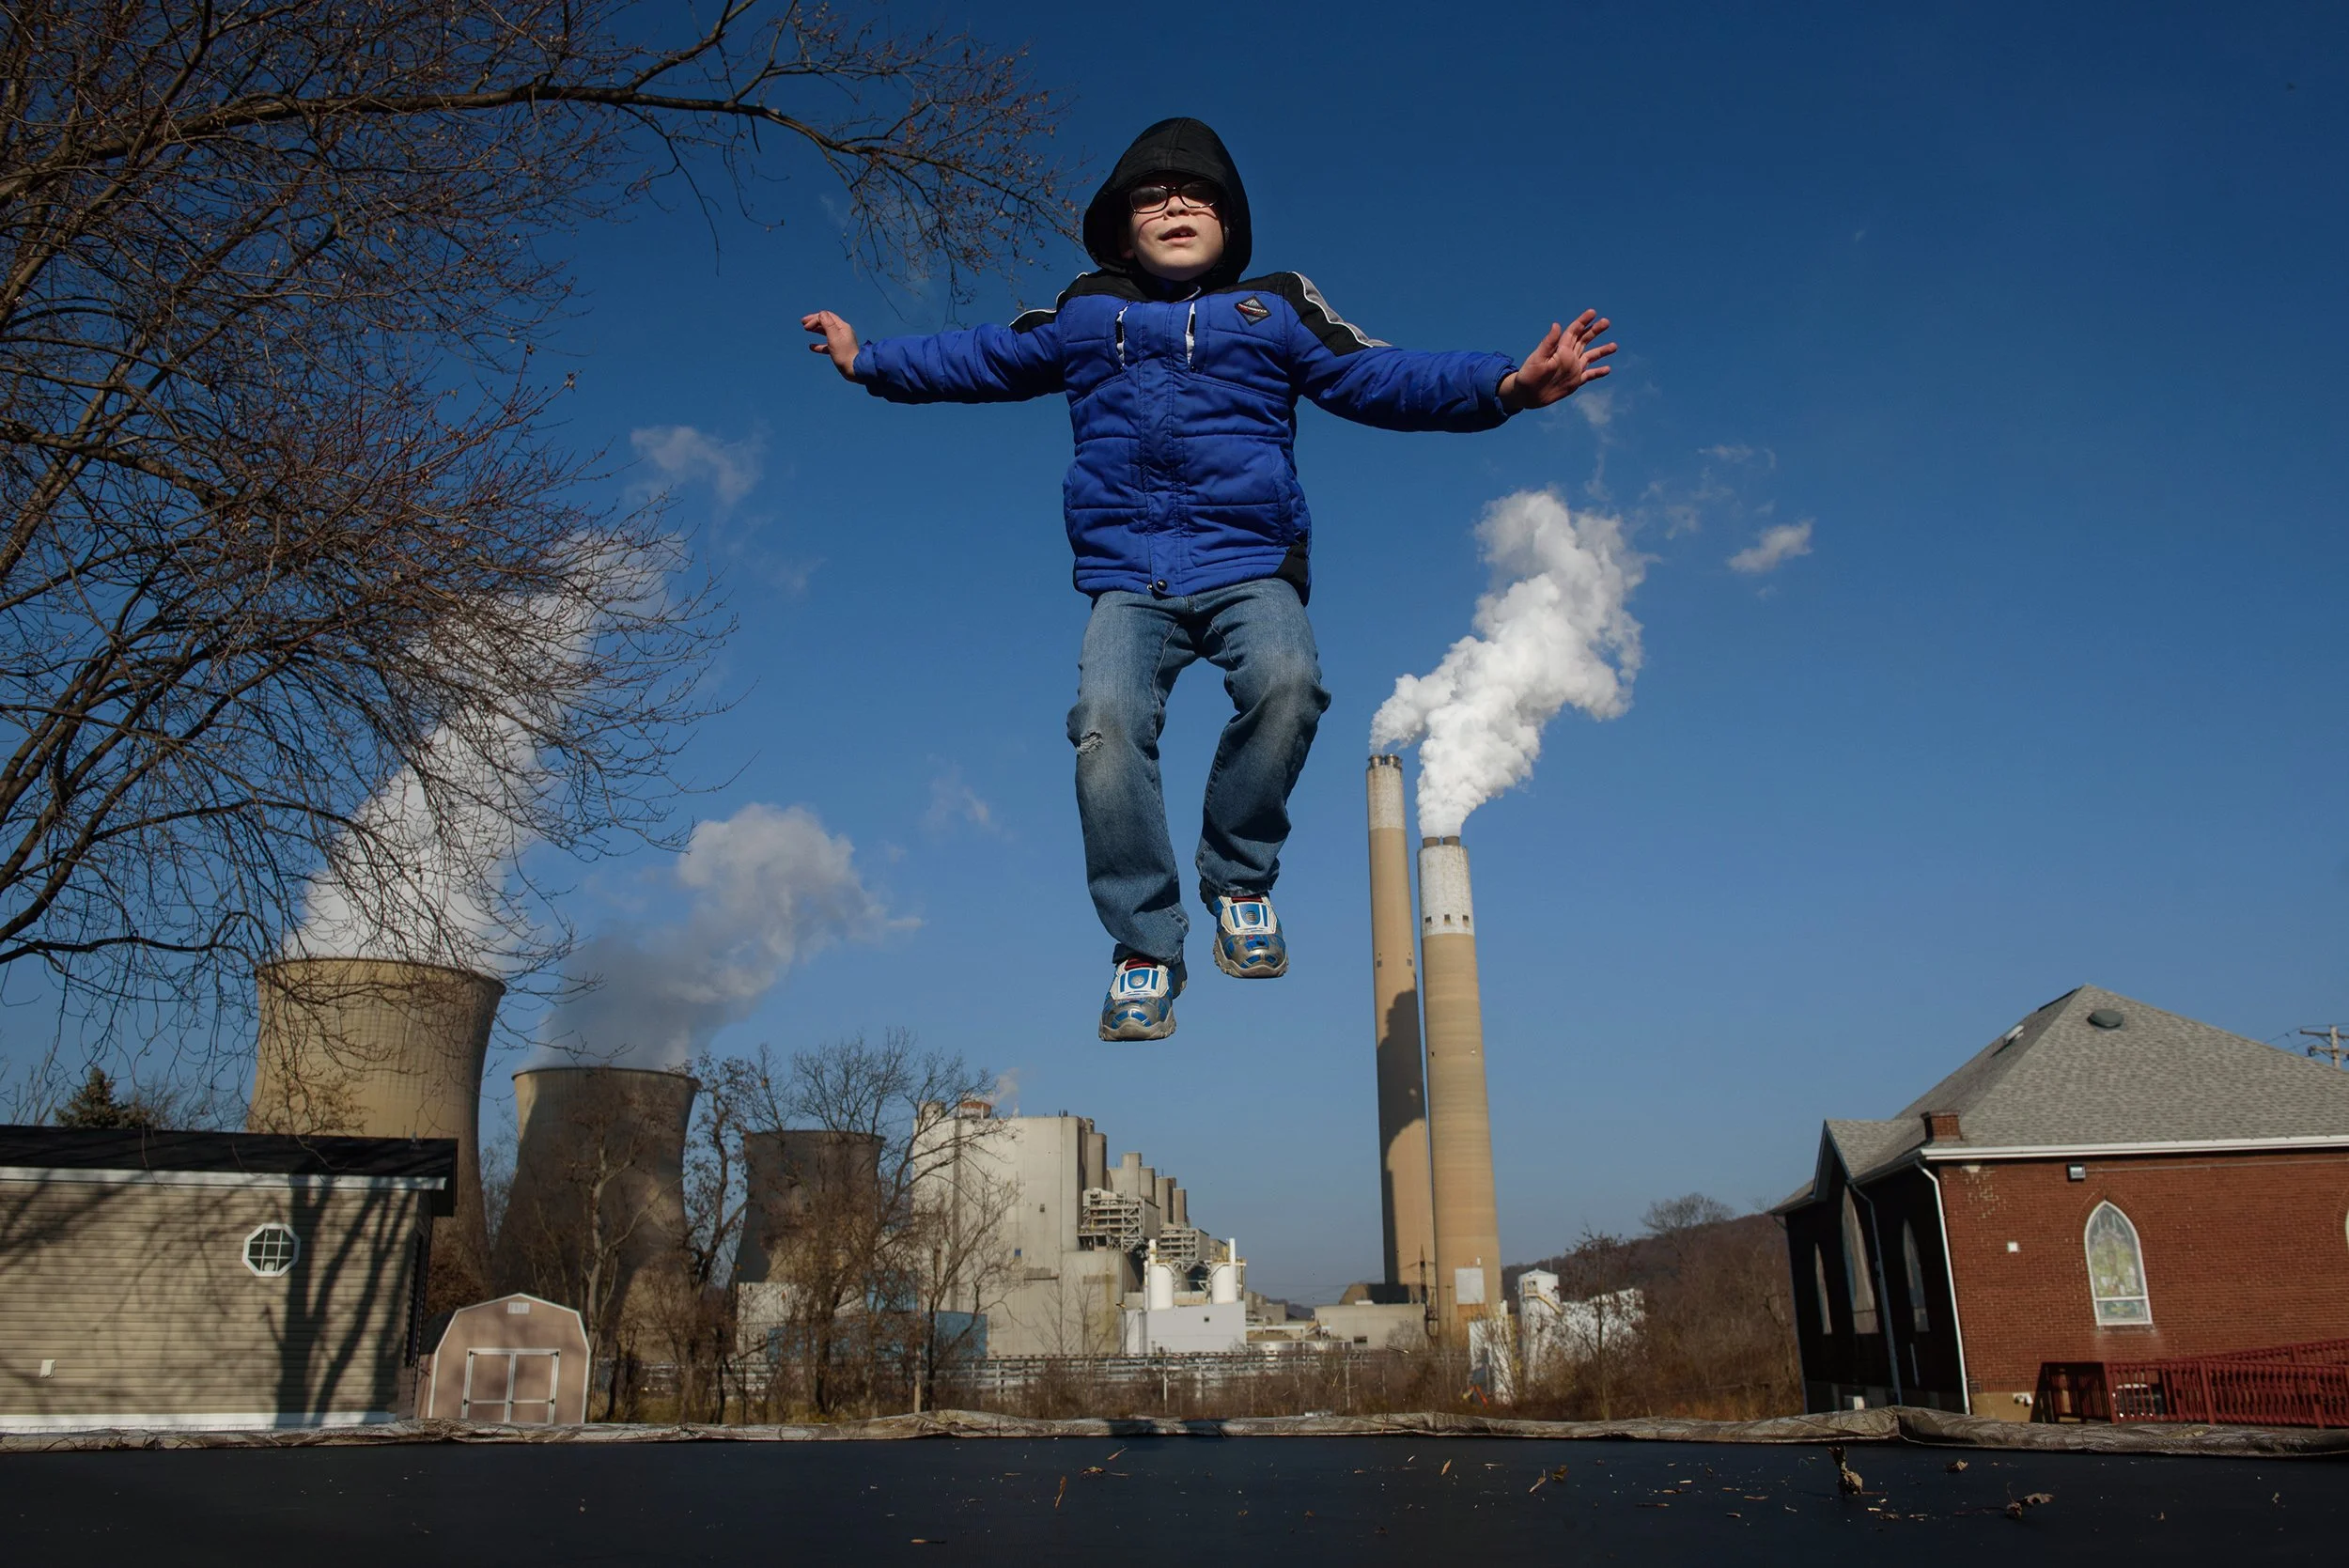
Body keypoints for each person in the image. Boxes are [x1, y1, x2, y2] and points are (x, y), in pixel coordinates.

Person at [803, 117, 1613, 1042]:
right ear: (1119, 230)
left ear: (1231, 228)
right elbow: (979, 355)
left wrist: (1503, 385)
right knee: (1104, 729)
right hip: (1129, 581)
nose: (1178, 205)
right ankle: (1145, 946)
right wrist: (869, 362)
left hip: (1248, 566)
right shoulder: (1083, 313)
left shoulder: (1273, 309)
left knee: (1288, 682)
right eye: (1153, 197)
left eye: (1199, 197)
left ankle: (1238, 880)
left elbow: (1376, 375)